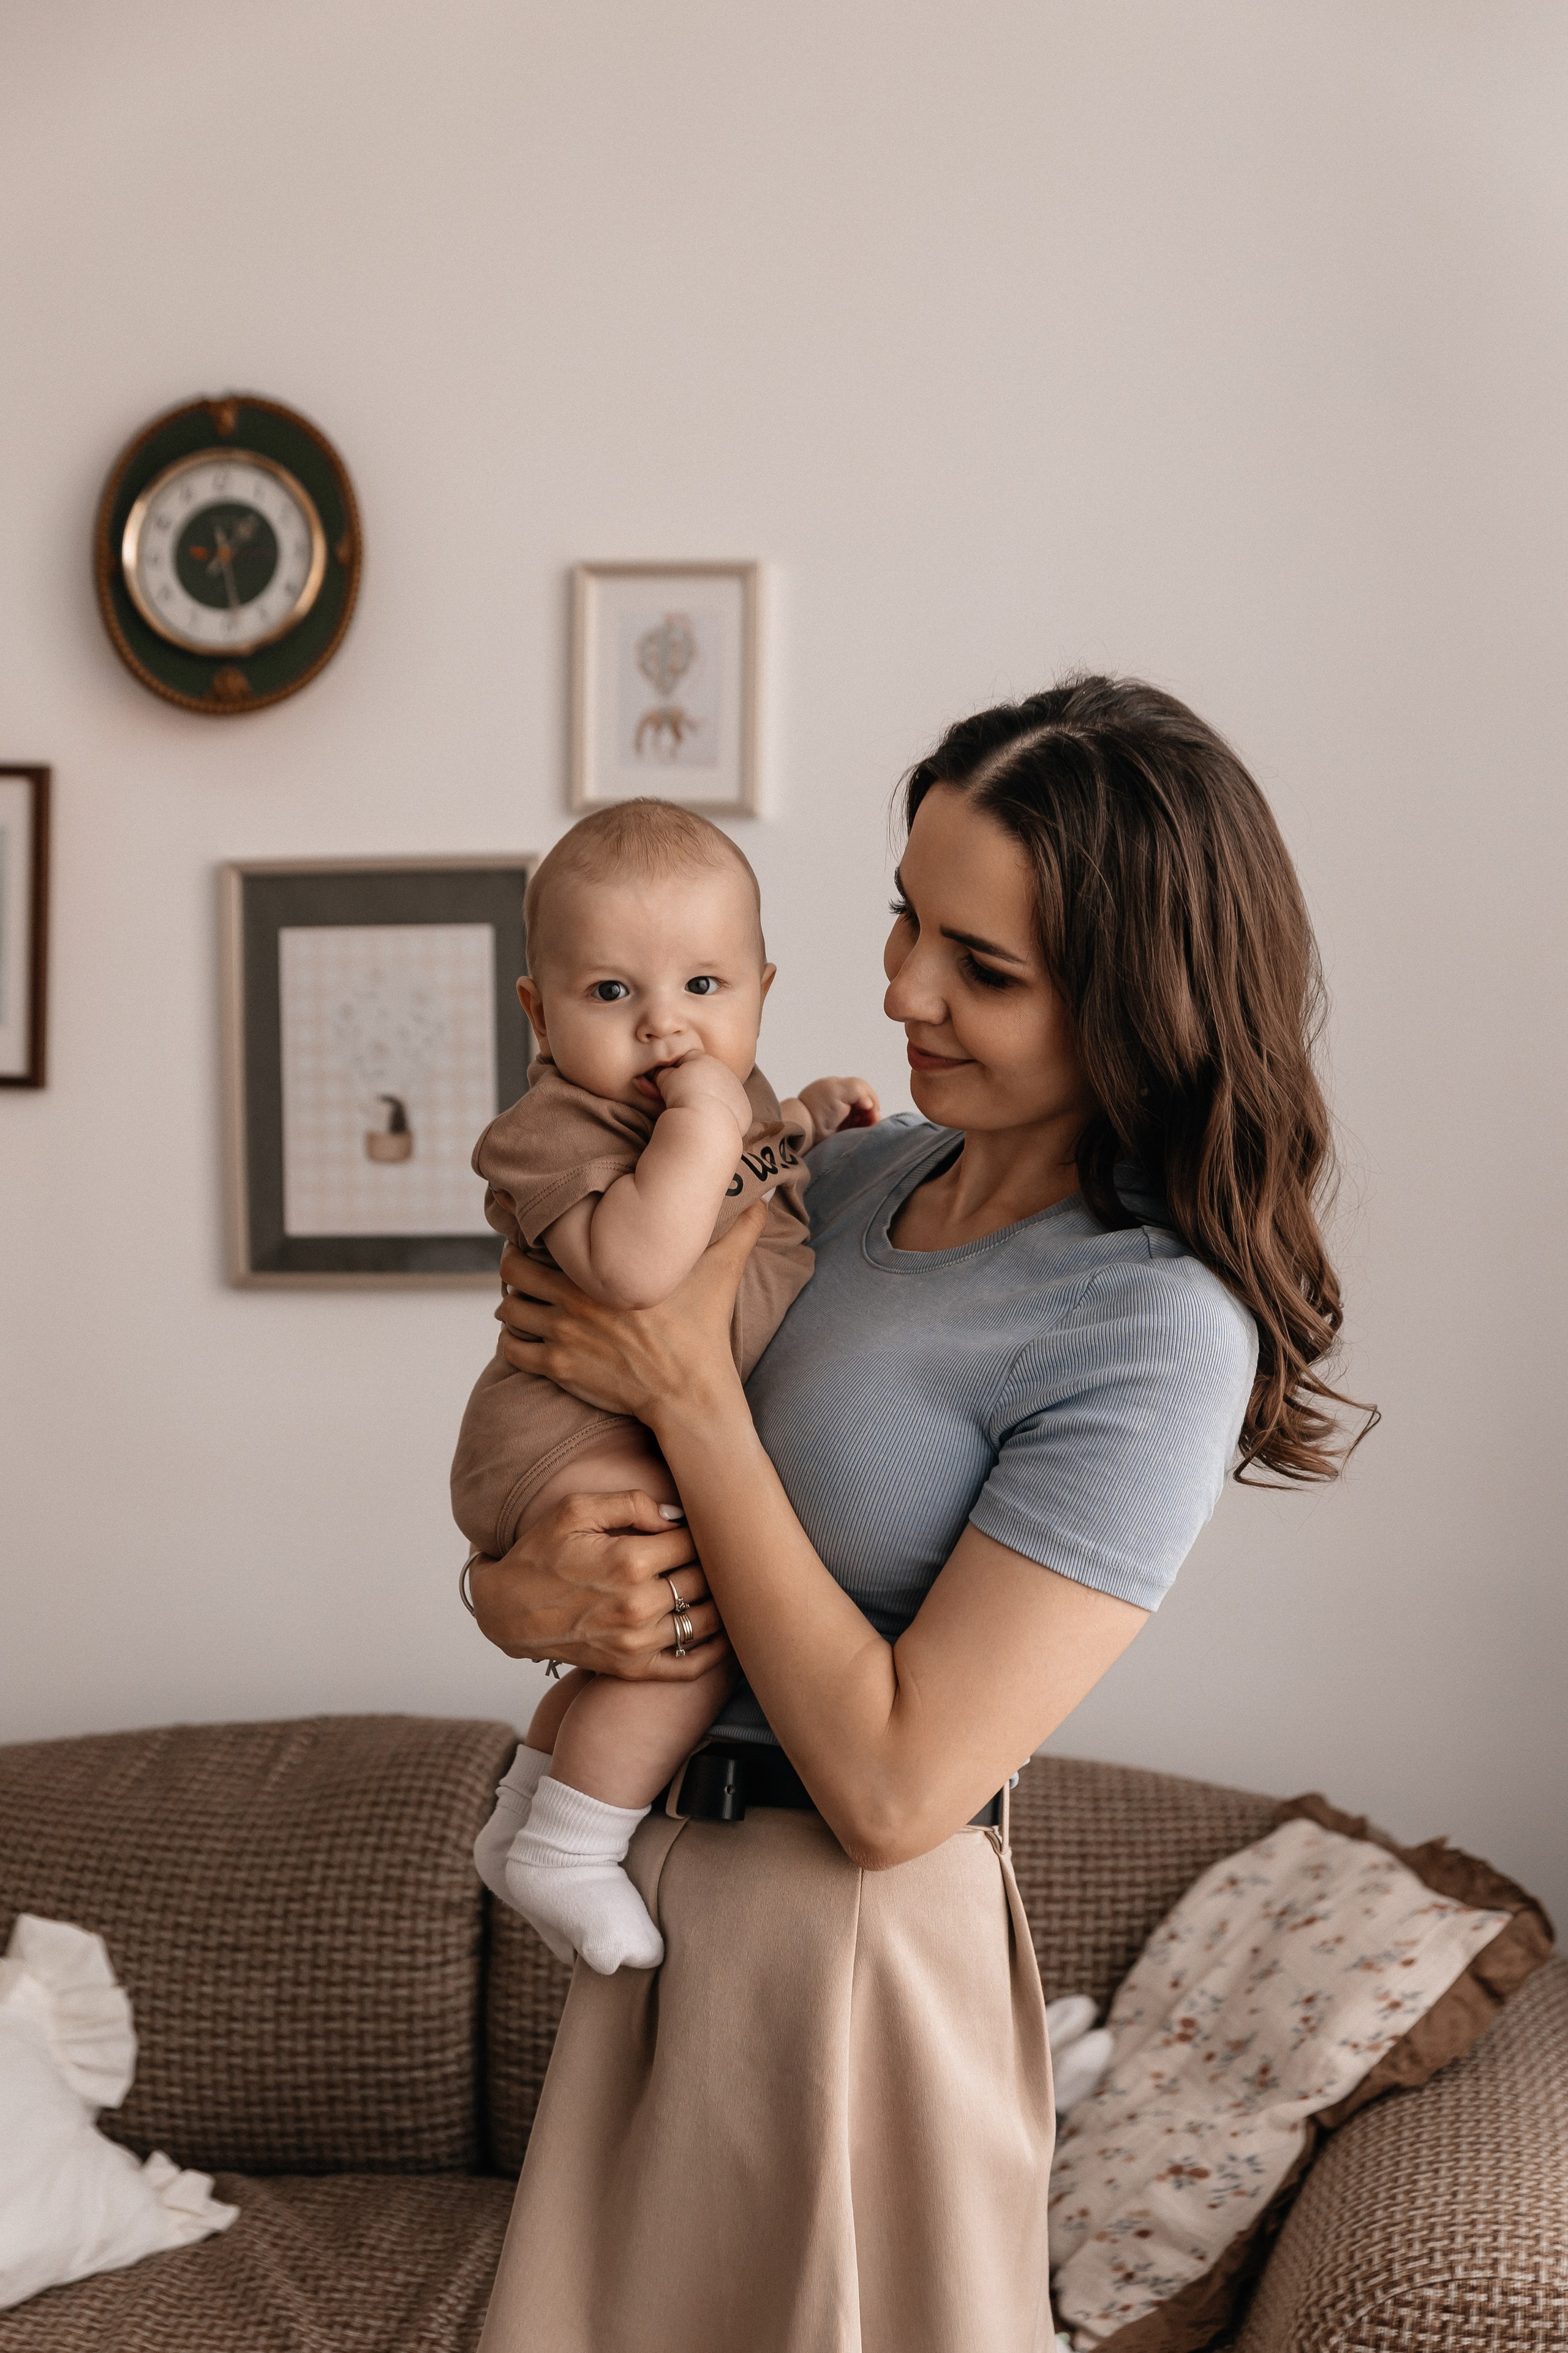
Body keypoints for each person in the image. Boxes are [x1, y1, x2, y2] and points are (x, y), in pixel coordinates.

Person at [465, 676, 1372, 2353]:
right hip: (670, 1914)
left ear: (1140, 1005)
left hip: (858, 1958)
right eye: (905, 919)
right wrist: (517, 1589)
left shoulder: (1152, 1324)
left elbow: (895, 1787)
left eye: (985, 968)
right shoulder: (848, 1177)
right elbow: (580, 1440)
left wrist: (686, 1391)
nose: (903, 988)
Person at [454, 798, 878, 1974]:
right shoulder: (555, 1127)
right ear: (537, 1010)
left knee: (625, 1649)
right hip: (559, 1434)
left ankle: (527, 1812)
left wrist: (803, 1120)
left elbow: (753, 1165)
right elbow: (638, 1268)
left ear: (761, 989)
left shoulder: (725, 1102)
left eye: (705, 989)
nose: (666, 1032)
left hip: (614, 1424)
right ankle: (573, 1850)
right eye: (611, 996)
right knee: (700, 1621)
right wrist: (705, 1120)